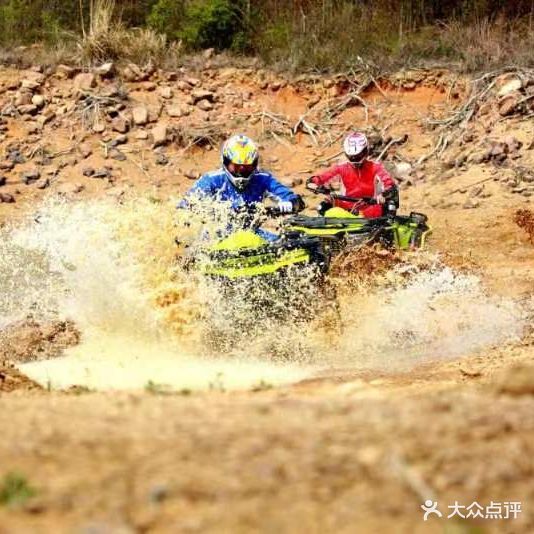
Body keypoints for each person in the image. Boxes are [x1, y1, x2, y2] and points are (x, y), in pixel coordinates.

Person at [178, 134, 304, 241]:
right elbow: (186, 206)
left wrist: (284, 206)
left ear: (254, 164)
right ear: (226, 162)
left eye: (247, 167)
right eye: (237, 166)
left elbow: (292, 199)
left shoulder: (263, 179)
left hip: (252, 235)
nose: (241, 172)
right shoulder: (211, 180)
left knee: (292, 244)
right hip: (216, 237)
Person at [307, 132, 398, 217]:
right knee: (323, 206)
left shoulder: (375, 167)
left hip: (370, 206)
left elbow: (389, 184)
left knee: (387, 206)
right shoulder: (341, 168)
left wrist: (383, 194)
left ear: (365, 151)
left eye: (357, 156)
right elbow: (321, 178)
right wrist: (313, 183)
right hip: (347, 206)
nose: (354, 159)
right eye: (351, 157)